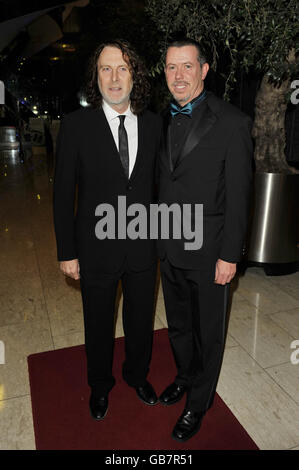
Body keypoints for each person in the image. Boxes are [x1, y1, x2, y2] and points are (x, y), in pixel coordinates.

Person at [53, 40, 161, 421]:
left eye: (123, 69)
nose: (114, 78)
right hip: (95, 247)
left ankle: (137, 375)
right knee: (97, 323)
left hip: (143, 247)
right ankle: (99, 386)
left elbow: (159, 187)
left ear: (135, 75)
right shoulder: (76, 125)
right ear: (95, 77)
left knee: (140, 319)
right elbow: (63, 192)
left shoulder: (153, 123)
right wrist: (67, 251)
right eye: (105, 69)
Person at [157, 39, 253, 442]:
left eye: (186, 67)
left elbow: (239, 194)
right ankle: (184, 375)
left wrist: (230, 255)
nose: (178, 76)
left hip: (211, 248)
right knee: (178, 325)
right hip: (167, 244)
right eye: (170, 67)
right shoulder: (159, 118)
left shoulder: (232, 121)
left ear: (204, 69)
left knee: (208, 330)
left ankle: (199, 401)